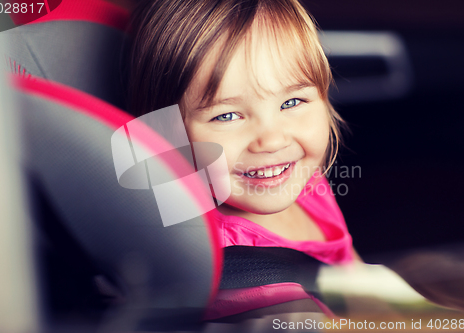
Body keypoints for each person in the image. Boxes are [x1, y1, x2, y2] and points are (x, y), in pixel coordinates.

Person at [128, 0, 357, 321]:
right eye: (228, 115)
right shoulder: (232, 275)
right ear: (166, 137)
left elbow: (355, 274)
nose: (273, 140)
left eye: (292, 101)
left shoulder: (304, 183)